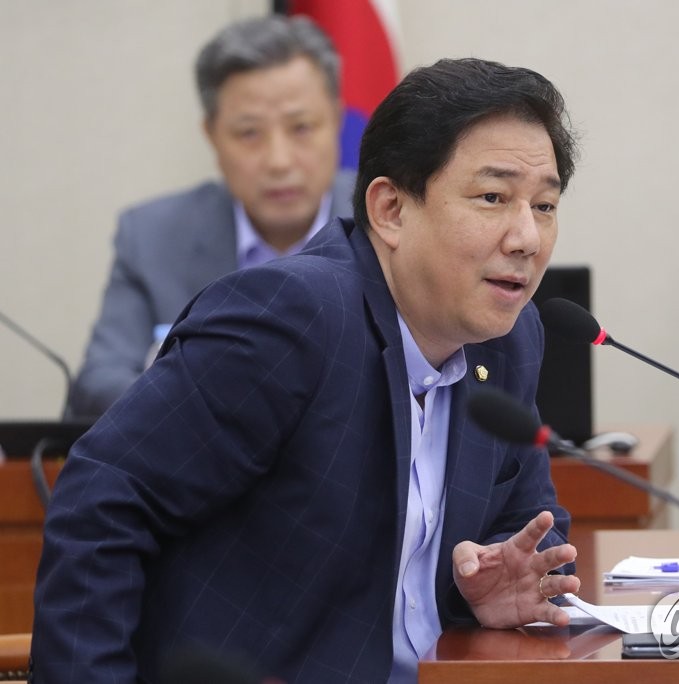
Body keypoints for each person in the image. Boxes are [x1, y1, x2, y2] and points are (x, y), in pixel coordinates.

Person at [31, 56, 581, 683]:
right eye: (492, 198)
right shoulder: (293, 319)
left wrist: (492, 585)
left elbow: (530, 529)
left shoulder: (508, 339)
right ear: (391, 210)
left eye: (544, 205)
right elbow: (102, 497)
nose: (526, 237)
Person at [66, 15, 356, 420]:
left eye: (302, 127)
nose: (279, 161)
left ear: (337, 121)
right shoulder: (151, 236)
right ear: (212, 136)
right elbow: (100, 382)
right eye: (249, 133)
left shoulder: (389, 226)